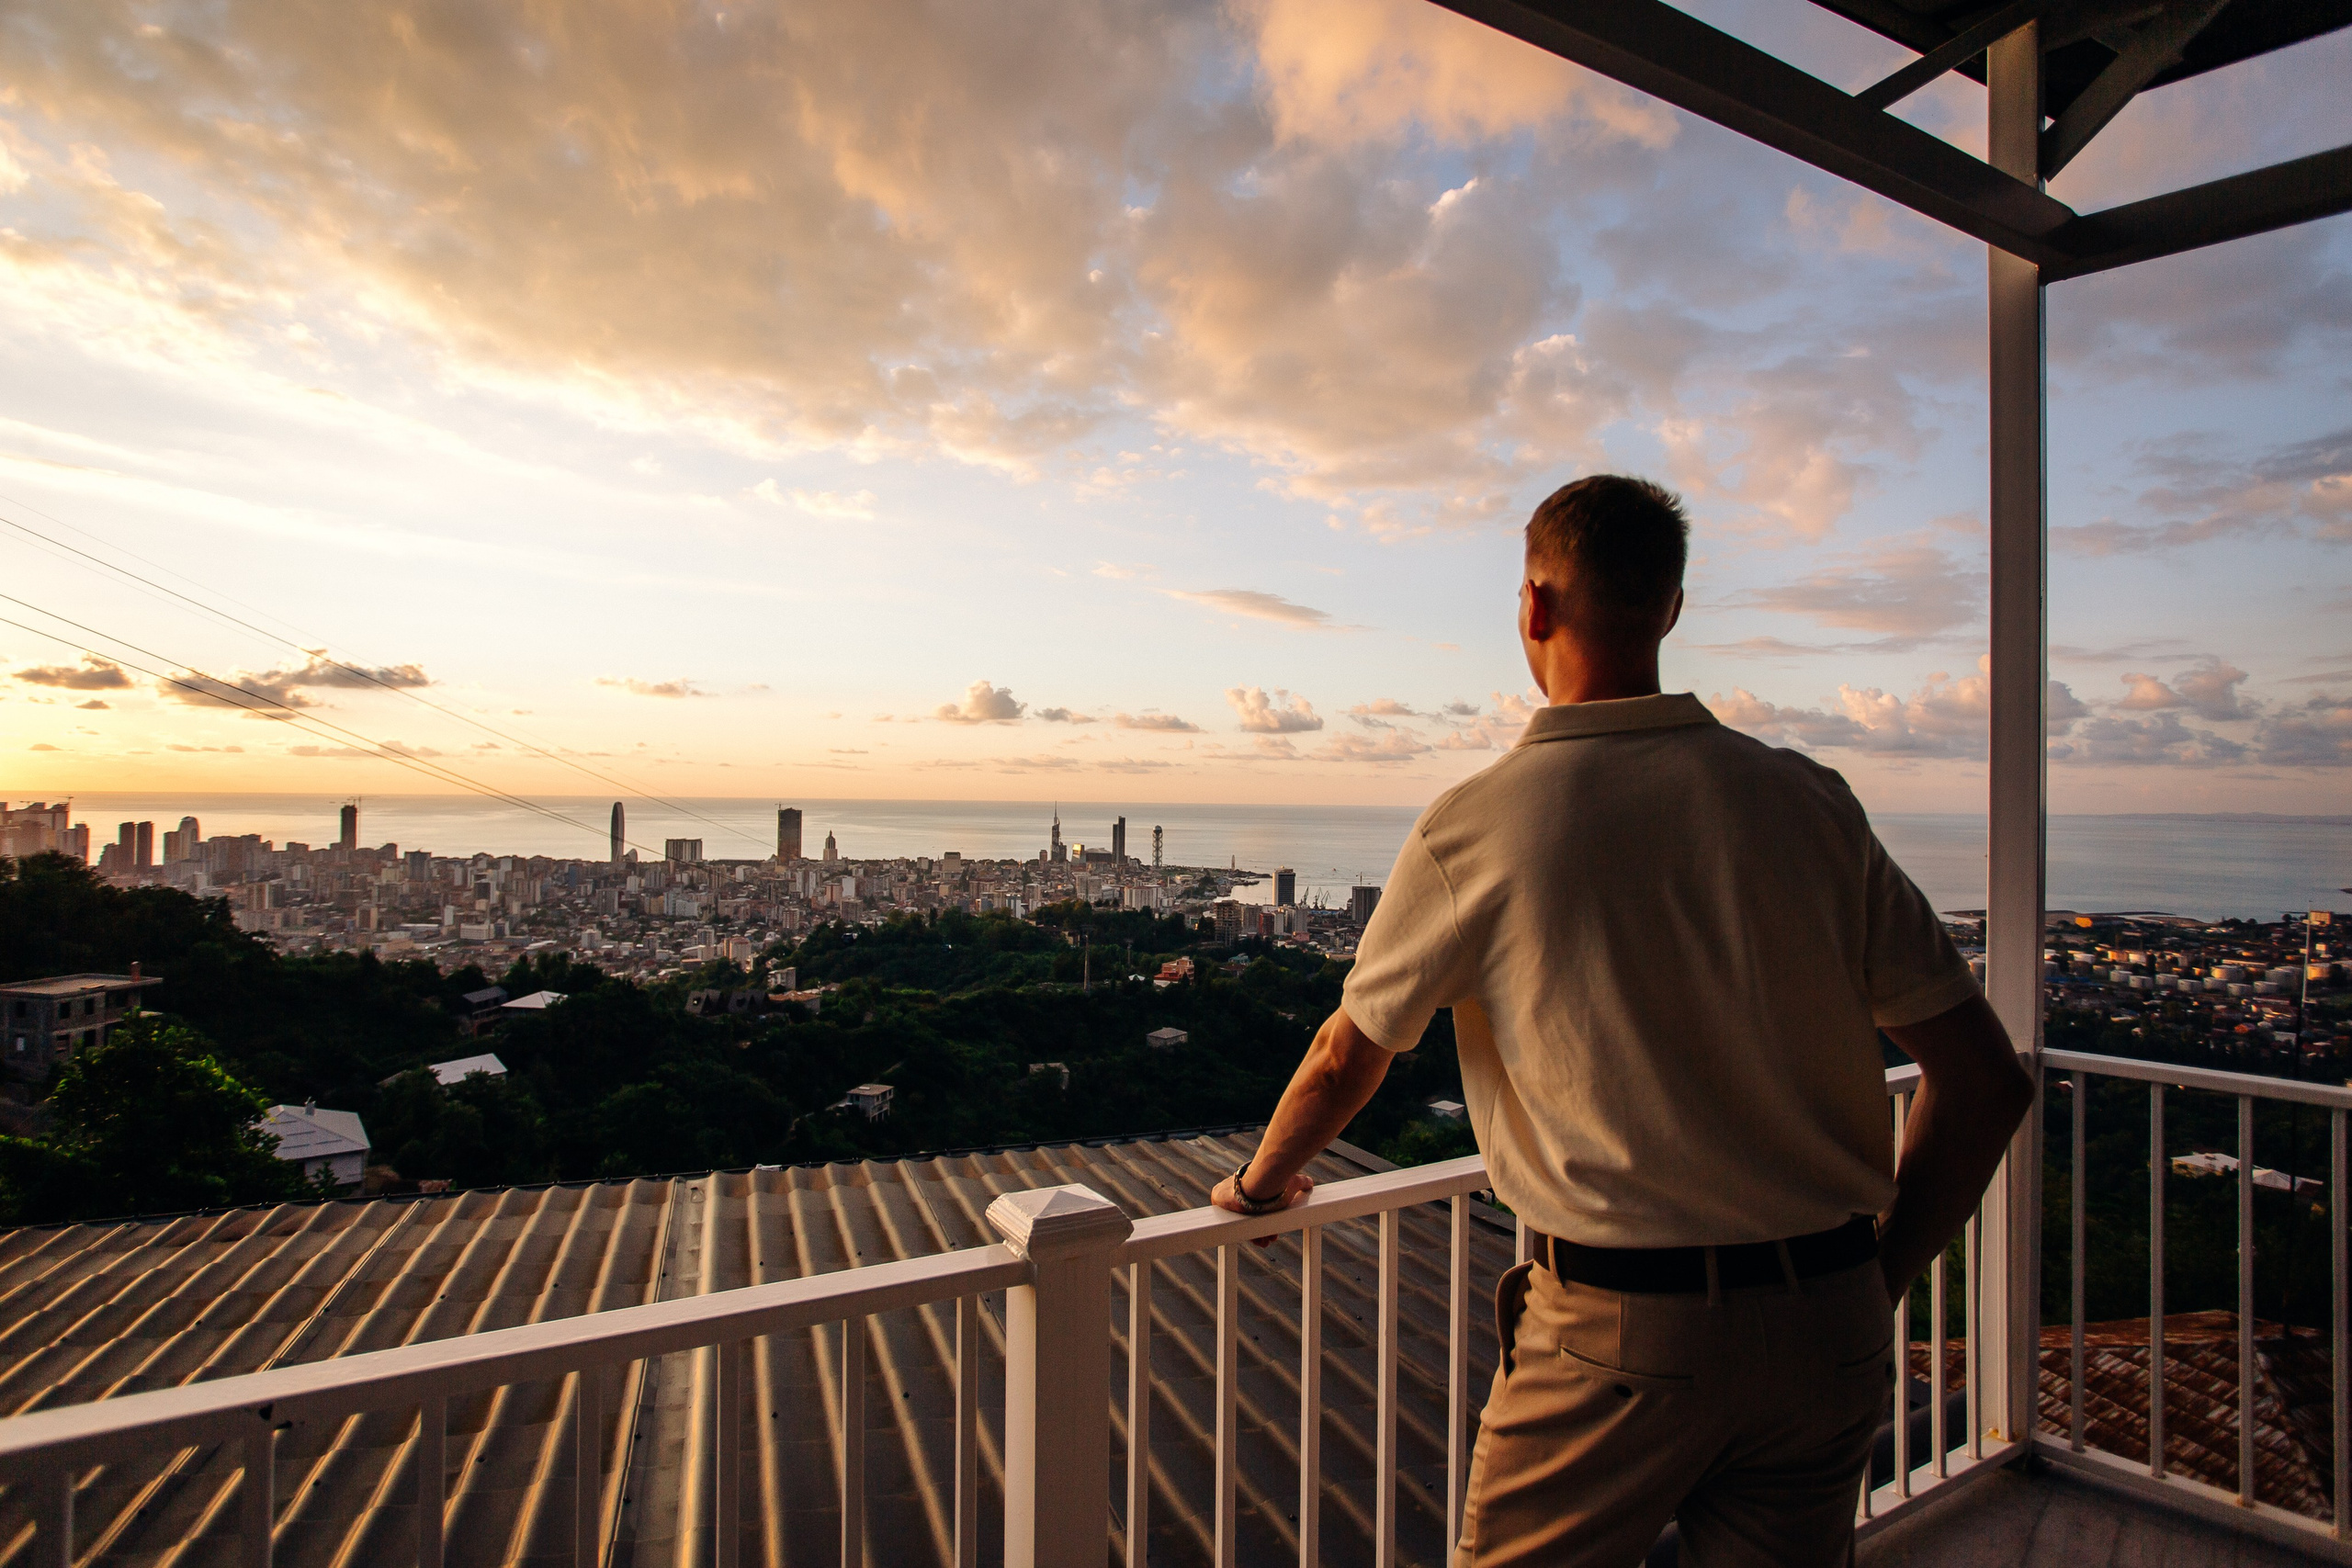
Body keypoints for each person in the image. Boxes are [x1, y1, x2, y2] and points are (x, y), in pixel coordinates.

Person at [1211, 475, 2034, 1566]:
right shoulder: (1810, 801)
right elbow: (1986, 1082)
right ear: (1671, 607)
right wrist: (1873, 1281)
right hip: (1825, 1323)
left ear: (1535, 605)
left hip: (1620, 1330)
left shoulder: (1481, 823)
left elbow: (1342, 1057)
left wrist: (1259, 1186)